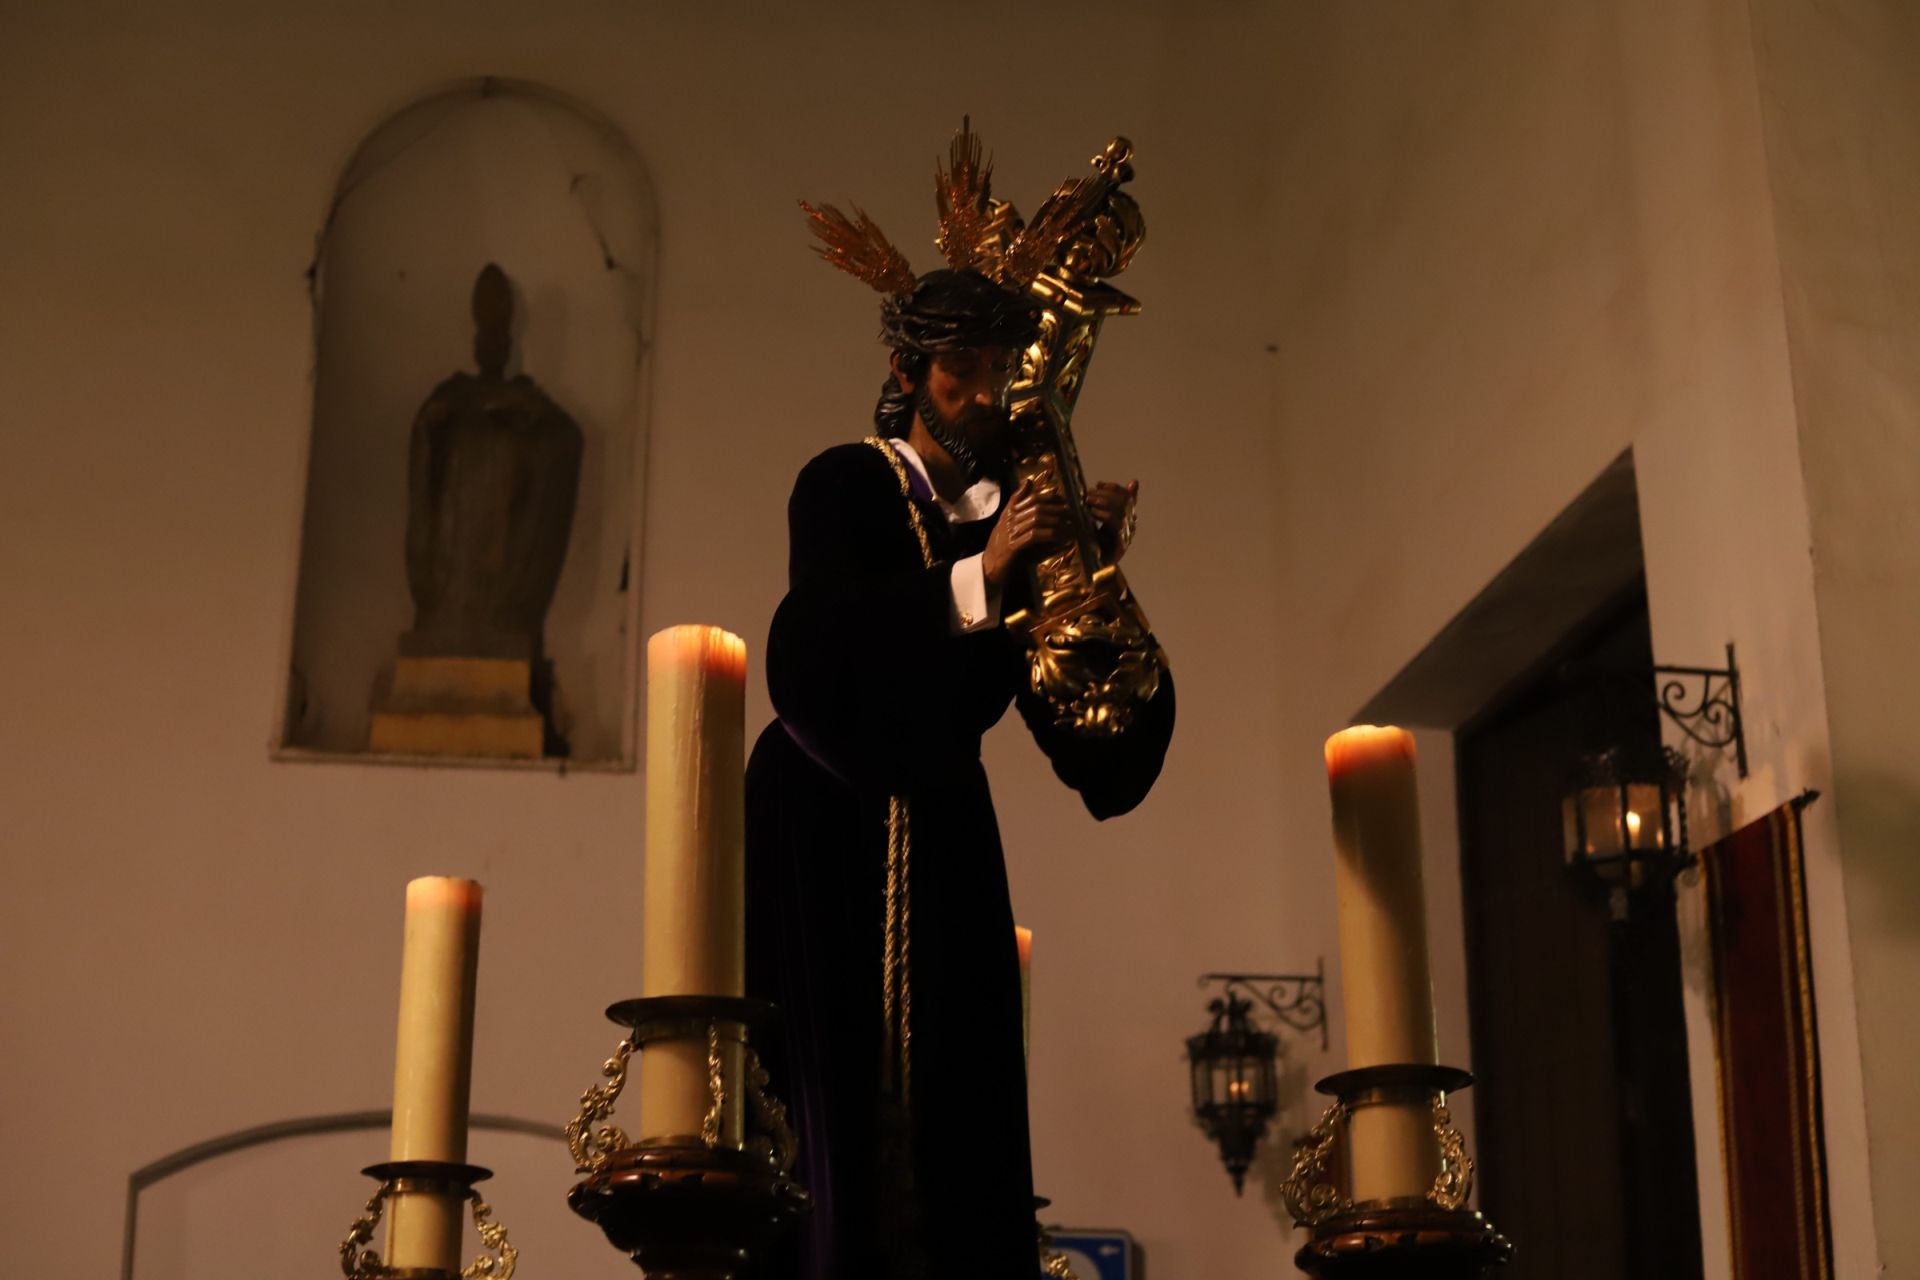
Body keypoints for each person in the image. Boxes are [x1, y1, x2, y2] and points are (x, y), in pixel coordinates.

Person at [744, 262, 1176, 1280]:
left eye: (998, 370)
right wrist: (984, 576)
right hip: (825, 827)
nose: (983, 394)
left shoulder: (1016, 521)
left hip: (944, 842)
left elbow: (1099, 760)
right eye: (958, 371)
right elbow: (812, 656)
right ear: (907, 369)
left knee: (957, 1141)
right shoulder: (846, 483)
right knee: (831, 1126)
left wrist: (1092, 594)